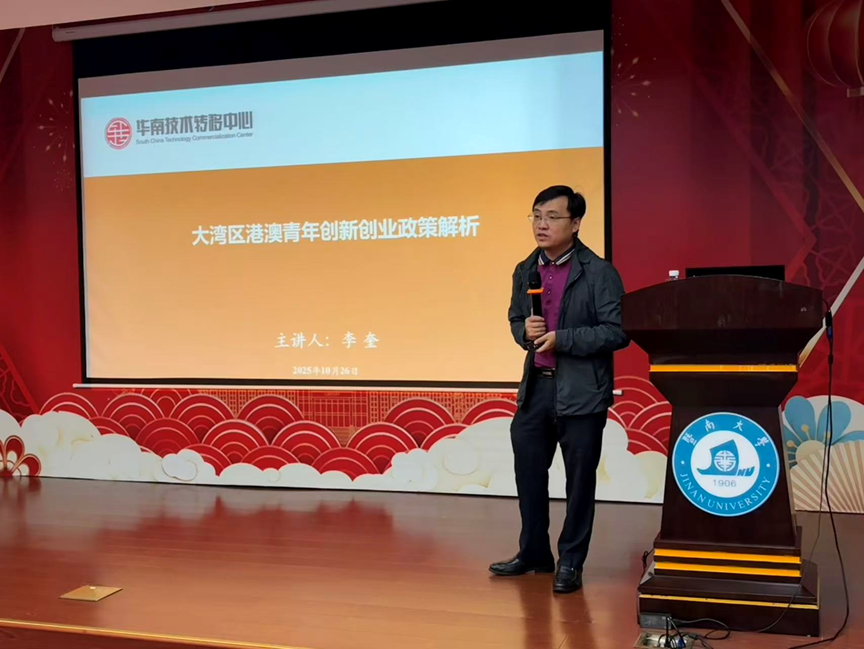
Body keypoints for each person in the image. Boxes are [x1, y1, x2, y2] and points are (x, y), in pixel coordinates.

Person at [489, 185, 628, 594]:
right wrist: (524, 331)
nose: (541, 224)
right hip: (536, 389)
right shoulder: (525, 268)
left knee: (579, 482)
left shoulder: (599, 272)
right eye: (536, 216)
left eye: (552, 216)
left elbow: (617, 331)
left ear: (576, 223)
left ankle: (571, 561)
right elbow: (516, 318)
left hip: (583, 394)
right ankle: (534, 553)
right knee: (529, 474)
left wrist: (562, 339)